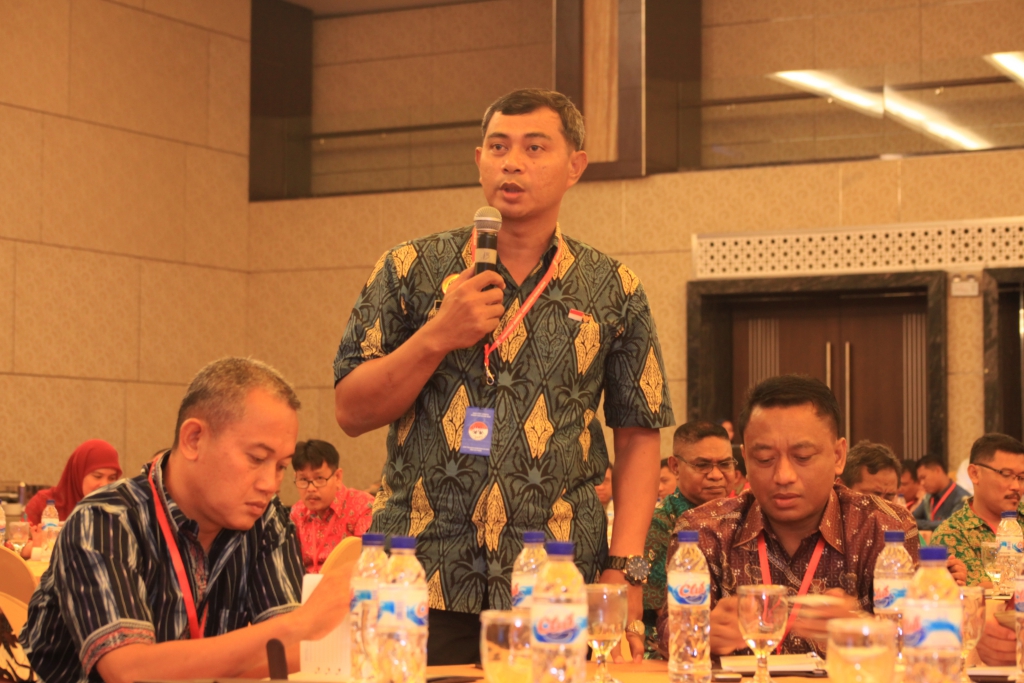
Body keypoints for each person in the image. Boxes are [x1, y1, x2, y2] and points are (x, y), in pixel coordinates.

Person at [333, 88, 674, 665]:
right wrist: (436, 335)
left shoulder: (613, 288)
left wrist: (626, 569)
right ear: (479, 160)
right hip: (419, 575)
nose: (511, 162)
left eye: (534, 148)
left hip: (559, 575)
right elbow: (351, 411)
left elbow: (639, 433)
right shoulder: (410, 268)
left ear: (575, 166)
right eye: (498, 147)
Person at [21, 358, 350, 683]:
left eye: (281, 467)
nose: (270, 484)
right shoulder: (106, 519)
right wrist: (299, 624)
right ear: (194, 439)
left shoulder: (266, 520)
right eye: (257, 458)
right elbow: (127, 672)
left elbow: (285, 653)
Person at [657, 375, 919, 657]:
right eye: (764, 459)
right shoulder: (704, 530)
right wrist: (699, 631)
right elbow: (668, 627)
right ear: (745, 458)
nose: (783, 476)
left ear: (838, 456)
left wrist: (864, 631)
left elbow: (921, 637)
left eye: (802, 456)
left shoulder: (884, 528)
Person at [627, 421, 733, 659]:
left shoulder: (741, 518)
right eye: (702, 465)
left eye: (725, 464)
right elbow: (665, 612)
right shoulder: (655, 524)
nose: (716, 475)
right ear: (675, 466)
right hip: (670, 653)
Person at [931, 434, 1024, 586]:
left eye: (1021, 477)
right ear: (975, 474)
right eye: (1006, 475)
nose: (1016, 487)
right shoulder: (951, 534)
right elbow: (983, 591)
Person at [290, 439, 374, 573]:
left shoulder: (363, 506)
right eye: (303, 480)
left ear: (338, 477)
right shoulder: (297, 513)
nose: (310, 488)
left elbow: (368, 563)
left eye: (319, 479)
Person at [24, 439, 122, 525]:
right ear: (78, 473)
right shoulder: (43, 504)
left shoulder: (120, 510)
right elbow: (20, 536)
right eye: (98, 476)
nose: (105, 485)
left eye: (112, 478)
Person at [913, 454, 970, 531]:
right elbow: (911, 520)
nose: (922, 483)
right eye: (920, 480)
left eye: (923, 477)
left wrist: (922, 524)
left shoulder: (962, 498)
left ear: (938, 470)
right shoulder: (929, 497)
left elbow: (952, 525)